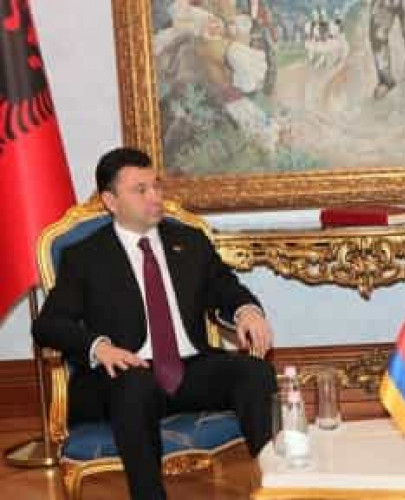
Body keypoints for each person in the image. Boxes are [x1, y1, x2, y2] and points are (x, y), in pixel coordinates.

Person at [33, 147, 277, 500]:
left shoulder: (189, 242)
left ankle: (279, 486)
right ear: (111, 201)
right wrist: (100, 348)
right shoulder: (86, 257)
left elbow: (226, 288)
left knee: (254, 373)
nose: (155, 197)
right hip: (123, 377)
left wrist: (246, 311)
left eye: (156, 186)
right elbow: (48, 324)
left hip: (189, 370)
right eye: (140, 190)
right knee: (135, 385)